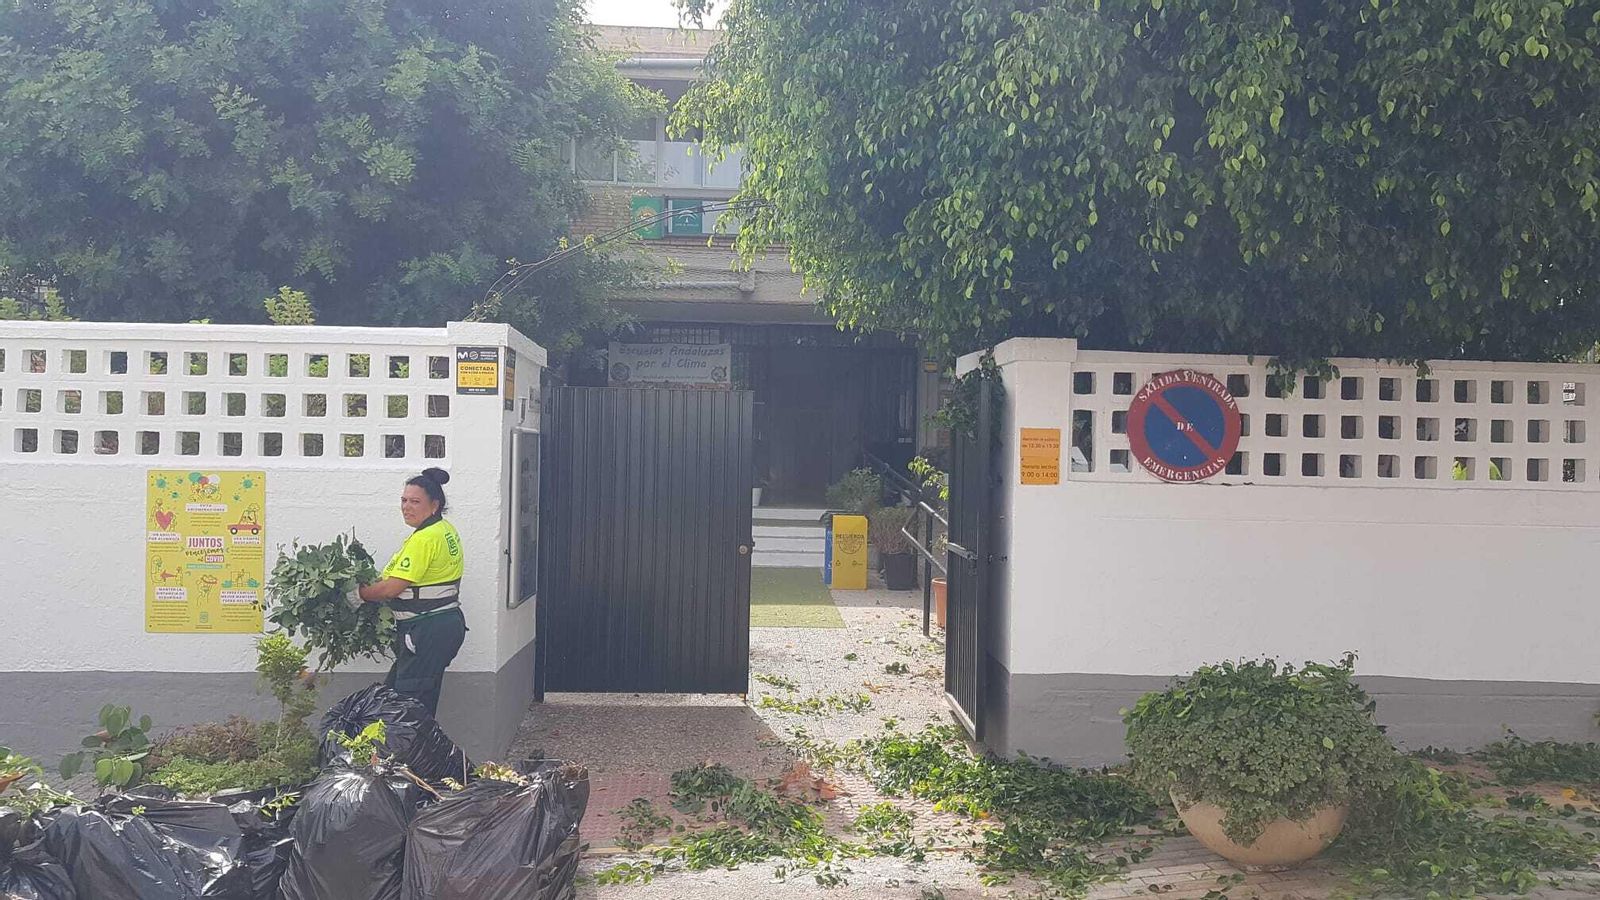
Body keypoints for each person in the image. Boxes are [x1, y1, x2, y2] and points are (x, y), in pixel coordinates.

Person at [352, 468, 467, 716]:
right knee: (400, 699)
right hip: (441, 626)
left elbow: (392, 588)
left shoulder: (425, 539)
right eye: (404, 500)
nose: (406, 507)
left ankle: (412, 743)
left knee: (407, 709)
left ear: (434, 505)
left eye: (415, 502)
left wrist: (359, 594)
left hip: (426, 630)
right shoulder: (443, 529)